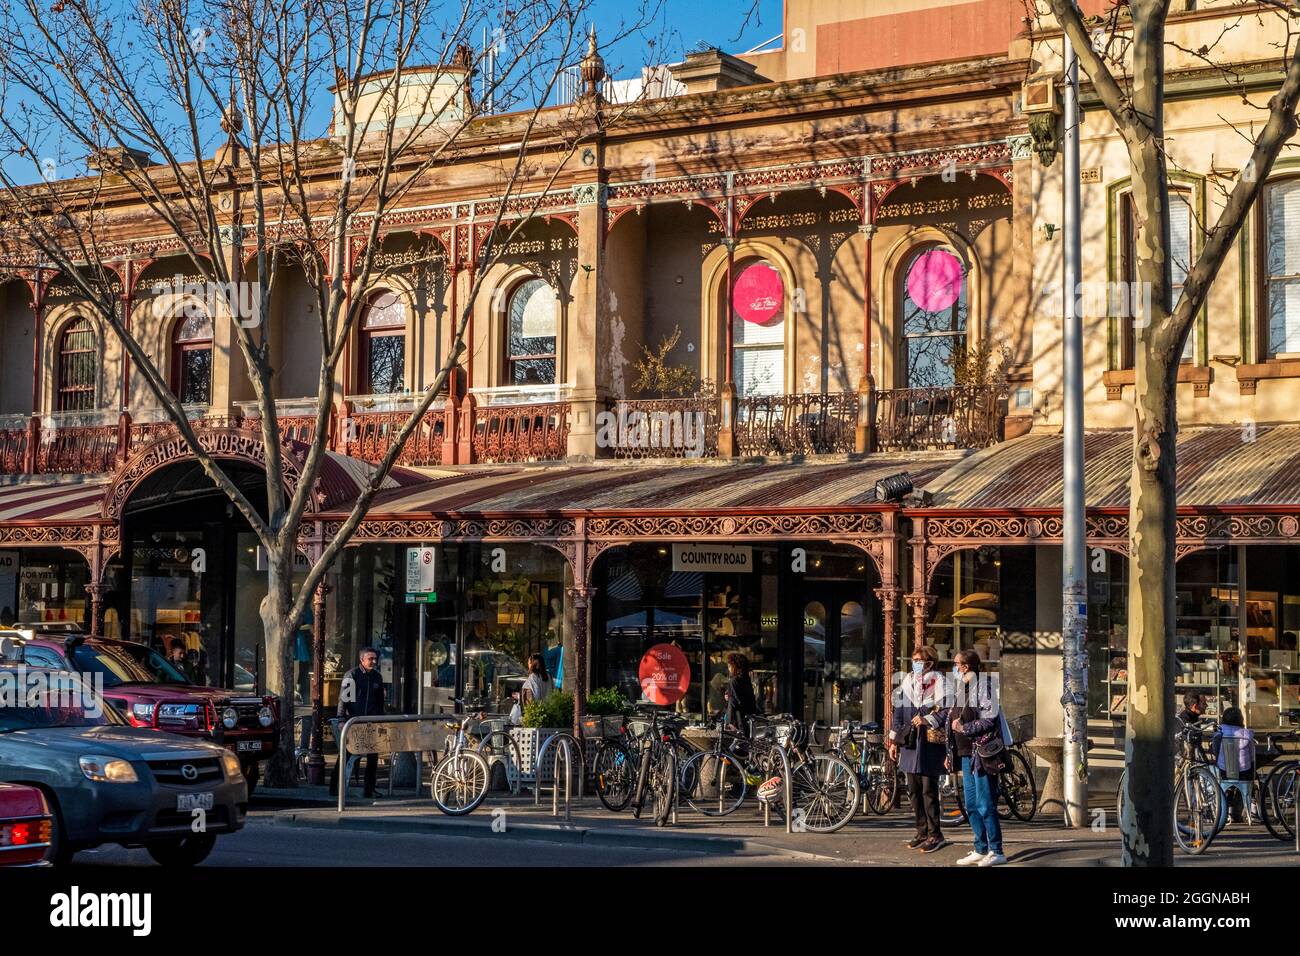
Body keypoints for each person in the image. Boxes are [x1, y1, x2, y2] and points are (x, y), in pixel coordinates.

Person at [942, 650, 1007, 866]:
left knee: (985, 804)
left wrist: (965, 727)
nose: (954, 668)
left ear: (966, 666)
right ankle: (980, 847)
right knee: (970, 804)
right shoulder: (963, 687)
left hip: (981, 754)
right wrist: (949, 751)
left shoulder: (984, 686)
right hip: (965, 754)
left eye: (956, 664)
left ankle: (996, 850)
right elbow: (950, 716)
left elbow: (990, 718)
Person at [888, 645, 949, 853]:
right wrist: (894, 741)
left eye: (919, 660)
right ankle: (921, 831)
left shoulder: (940, 682)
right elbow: (898, 713)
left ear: (930, 662)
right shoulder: (907, 682)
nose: (915, 663)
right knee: (913, 790)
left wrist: (927, 718)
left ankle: (935, 834)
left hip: (929, 742)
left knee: (928, 789)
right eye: (914, 659)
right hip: (910, 741)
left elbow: (946, 710)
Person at [330, 647, 386, 798]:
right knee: (347, 754)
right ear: (362, 659)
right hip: (354, 721)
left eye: (375, 659)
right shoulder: (352, 675)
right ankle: (335, 787)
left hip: (372, 722)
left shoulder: (377, 677)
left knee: (373, 756)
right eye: (370, 659)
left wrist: (382, 720)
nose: (373, 662)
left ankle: (369, 789)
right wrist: (341, 719)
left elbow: (380, 702)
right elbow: (344, 699)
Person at [1211, 706, 1255, 822]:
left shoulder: (1219, 733)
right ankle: (1251, 811)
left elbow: (1215, 751)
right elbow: (1252, 756)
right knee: (1252, 780)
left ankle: (1224, 810)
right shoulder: (1247, 734)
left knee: (1214, 774)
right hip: (1244, 773)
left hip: (1224, 772)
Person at [723, 652, 759, 733]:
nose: (728, 669)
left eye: (729, 666)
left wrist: (729, 697)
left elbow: (736, 702)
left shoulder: (734, 680)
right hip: (747, 719)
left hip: (737, 720)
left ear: (735, 666)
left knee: (737, 743)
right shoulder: (746, 679)